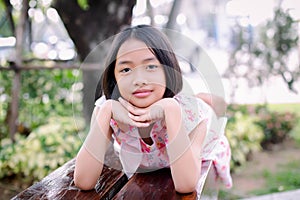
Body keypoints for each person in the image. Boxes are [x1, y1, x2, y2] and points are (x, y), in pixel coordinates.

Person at [74, 24, 232, 193]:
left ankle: (207, 99)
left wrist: (171, 110)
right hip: (147, 177)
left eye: (150, 66)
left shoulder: (193, 115)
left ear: (168, 70)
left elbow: (186, 185)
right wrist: (106, 110)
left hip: (202, 161)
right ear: (115, 77)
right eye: (126, 69)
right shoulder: (107, 109)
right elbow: (84, 181)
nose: (139, 80)